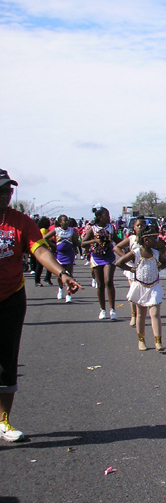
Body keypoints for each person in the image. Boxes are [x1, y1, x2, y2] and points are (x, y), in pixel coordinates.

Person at [0, 171, 83, 442]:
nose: (5, 195)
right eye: (1, 190)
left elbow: (40, 251)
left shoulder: (21, 222)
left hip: (11, 296)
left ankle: (3, 421)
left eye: (8, 190)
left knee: (7, 359)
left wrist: (62, 273)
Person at [116, 224, 166, 351]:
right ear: (146, 240)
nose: (156, 241)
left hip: (154, 286)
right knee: (141, 315)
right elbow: (119, 263)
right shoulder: (136, 253)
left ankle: (158, 341)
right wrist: (131, 269)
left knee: (155, 313)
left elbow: (165, 262)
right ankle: (141, 340)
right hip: (140, 286)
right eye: (153, 238)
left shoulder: (156, 253)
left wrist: (159, 268)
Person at [81, 204, 118, 320]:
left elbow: (117, 240)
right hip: (97, 257)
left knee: (108, 281)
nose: (109, 217)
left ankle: (112, 310)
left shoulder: (111, 228)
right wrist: (95, 240)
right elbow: (82, 243)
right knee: (100, 284)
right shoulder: (93, 229)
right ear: (100, 217)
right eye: (106, 215)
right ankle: (103, 309)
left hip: (109, 257)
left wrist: (130, 244)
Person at [114, 216, 146, 327]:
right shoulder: (131, 238)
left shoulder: (148, 238)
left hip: (144, 268)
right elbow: (117, 248)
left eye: (142, 225)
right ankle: (133, 315)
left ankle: (141, 315)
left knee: (142, 293)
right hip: (132, 269)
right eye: (138, 225)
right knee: (133, 292)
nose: (140, 227)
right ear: (134, 227)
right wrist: (126, 257)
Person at [44, 214, 80, 302]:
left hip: (69, 254)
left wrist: (77, 245)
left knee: (69, 274)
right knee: (60, 274)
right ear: (60, 222)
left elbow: (76, 242)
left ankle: (68, 294)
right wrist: (54, 246)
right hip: (60, 255)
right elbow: (45, 238)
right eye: (65, 220)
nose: (67, 222)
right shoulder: (56, 230)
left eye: (67, 220)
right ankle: (60, 289)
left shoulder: (72, 231)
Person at [34, 217, 53, 286]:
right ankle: (40, 280)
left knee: (40, 267)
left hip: (39, 249)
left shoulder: (39, 229)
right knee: (42, 266)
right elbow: (45, 239)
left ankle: (39, 280)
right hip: (43, 249)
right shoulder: (44, 230)